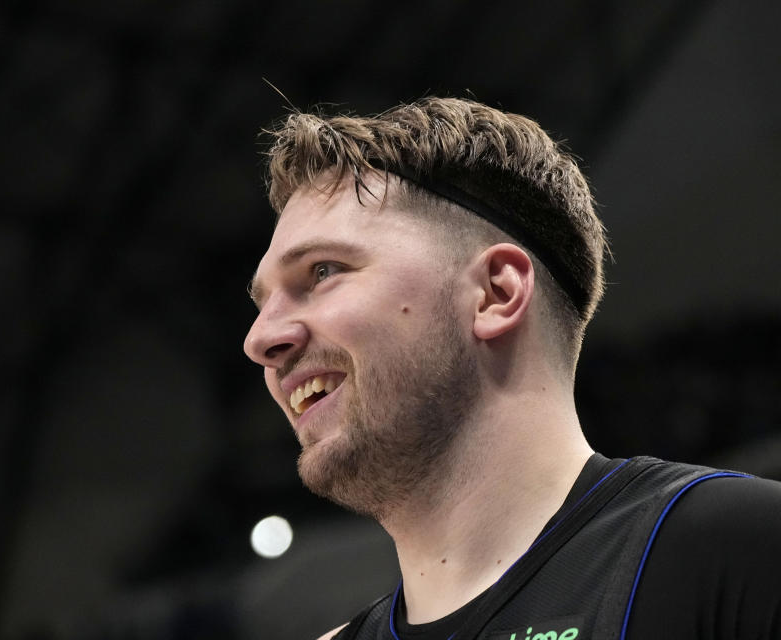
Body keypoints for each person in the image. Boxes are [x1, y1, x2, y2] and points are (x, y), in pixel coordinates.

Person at [242, 97, 781, 640]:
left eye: (322, 271)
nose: (259, 339)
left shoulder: (741, 553)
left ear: (496, 293)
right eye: (261, 305)